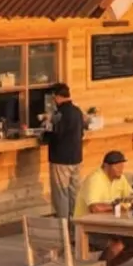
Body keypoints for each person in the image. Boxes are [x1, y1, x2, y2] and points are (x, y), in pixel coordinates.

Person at [74, 150, 133, 266]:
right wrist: (119, 204)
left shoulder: (120, 178)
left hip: (110, 225)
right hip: (86, 229)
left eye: (122, 166)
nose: (121, 169)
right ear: (106, 166)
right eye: (118, 166)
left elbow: (132, 197)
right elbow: (95, 208)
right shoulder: (95, 179)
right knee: (117, 245)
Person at [42, 83, 86, 219]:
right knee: (74, 193)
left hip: (60, 159)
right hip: (76, 158)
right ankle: (77, 229)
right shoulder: (78, 111)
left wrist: (45, 130)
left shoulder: (59, 114)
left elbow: (53, 134)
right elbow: (82, 133)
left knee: (61, 194)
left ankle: (64, 229)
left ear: (57, 97)